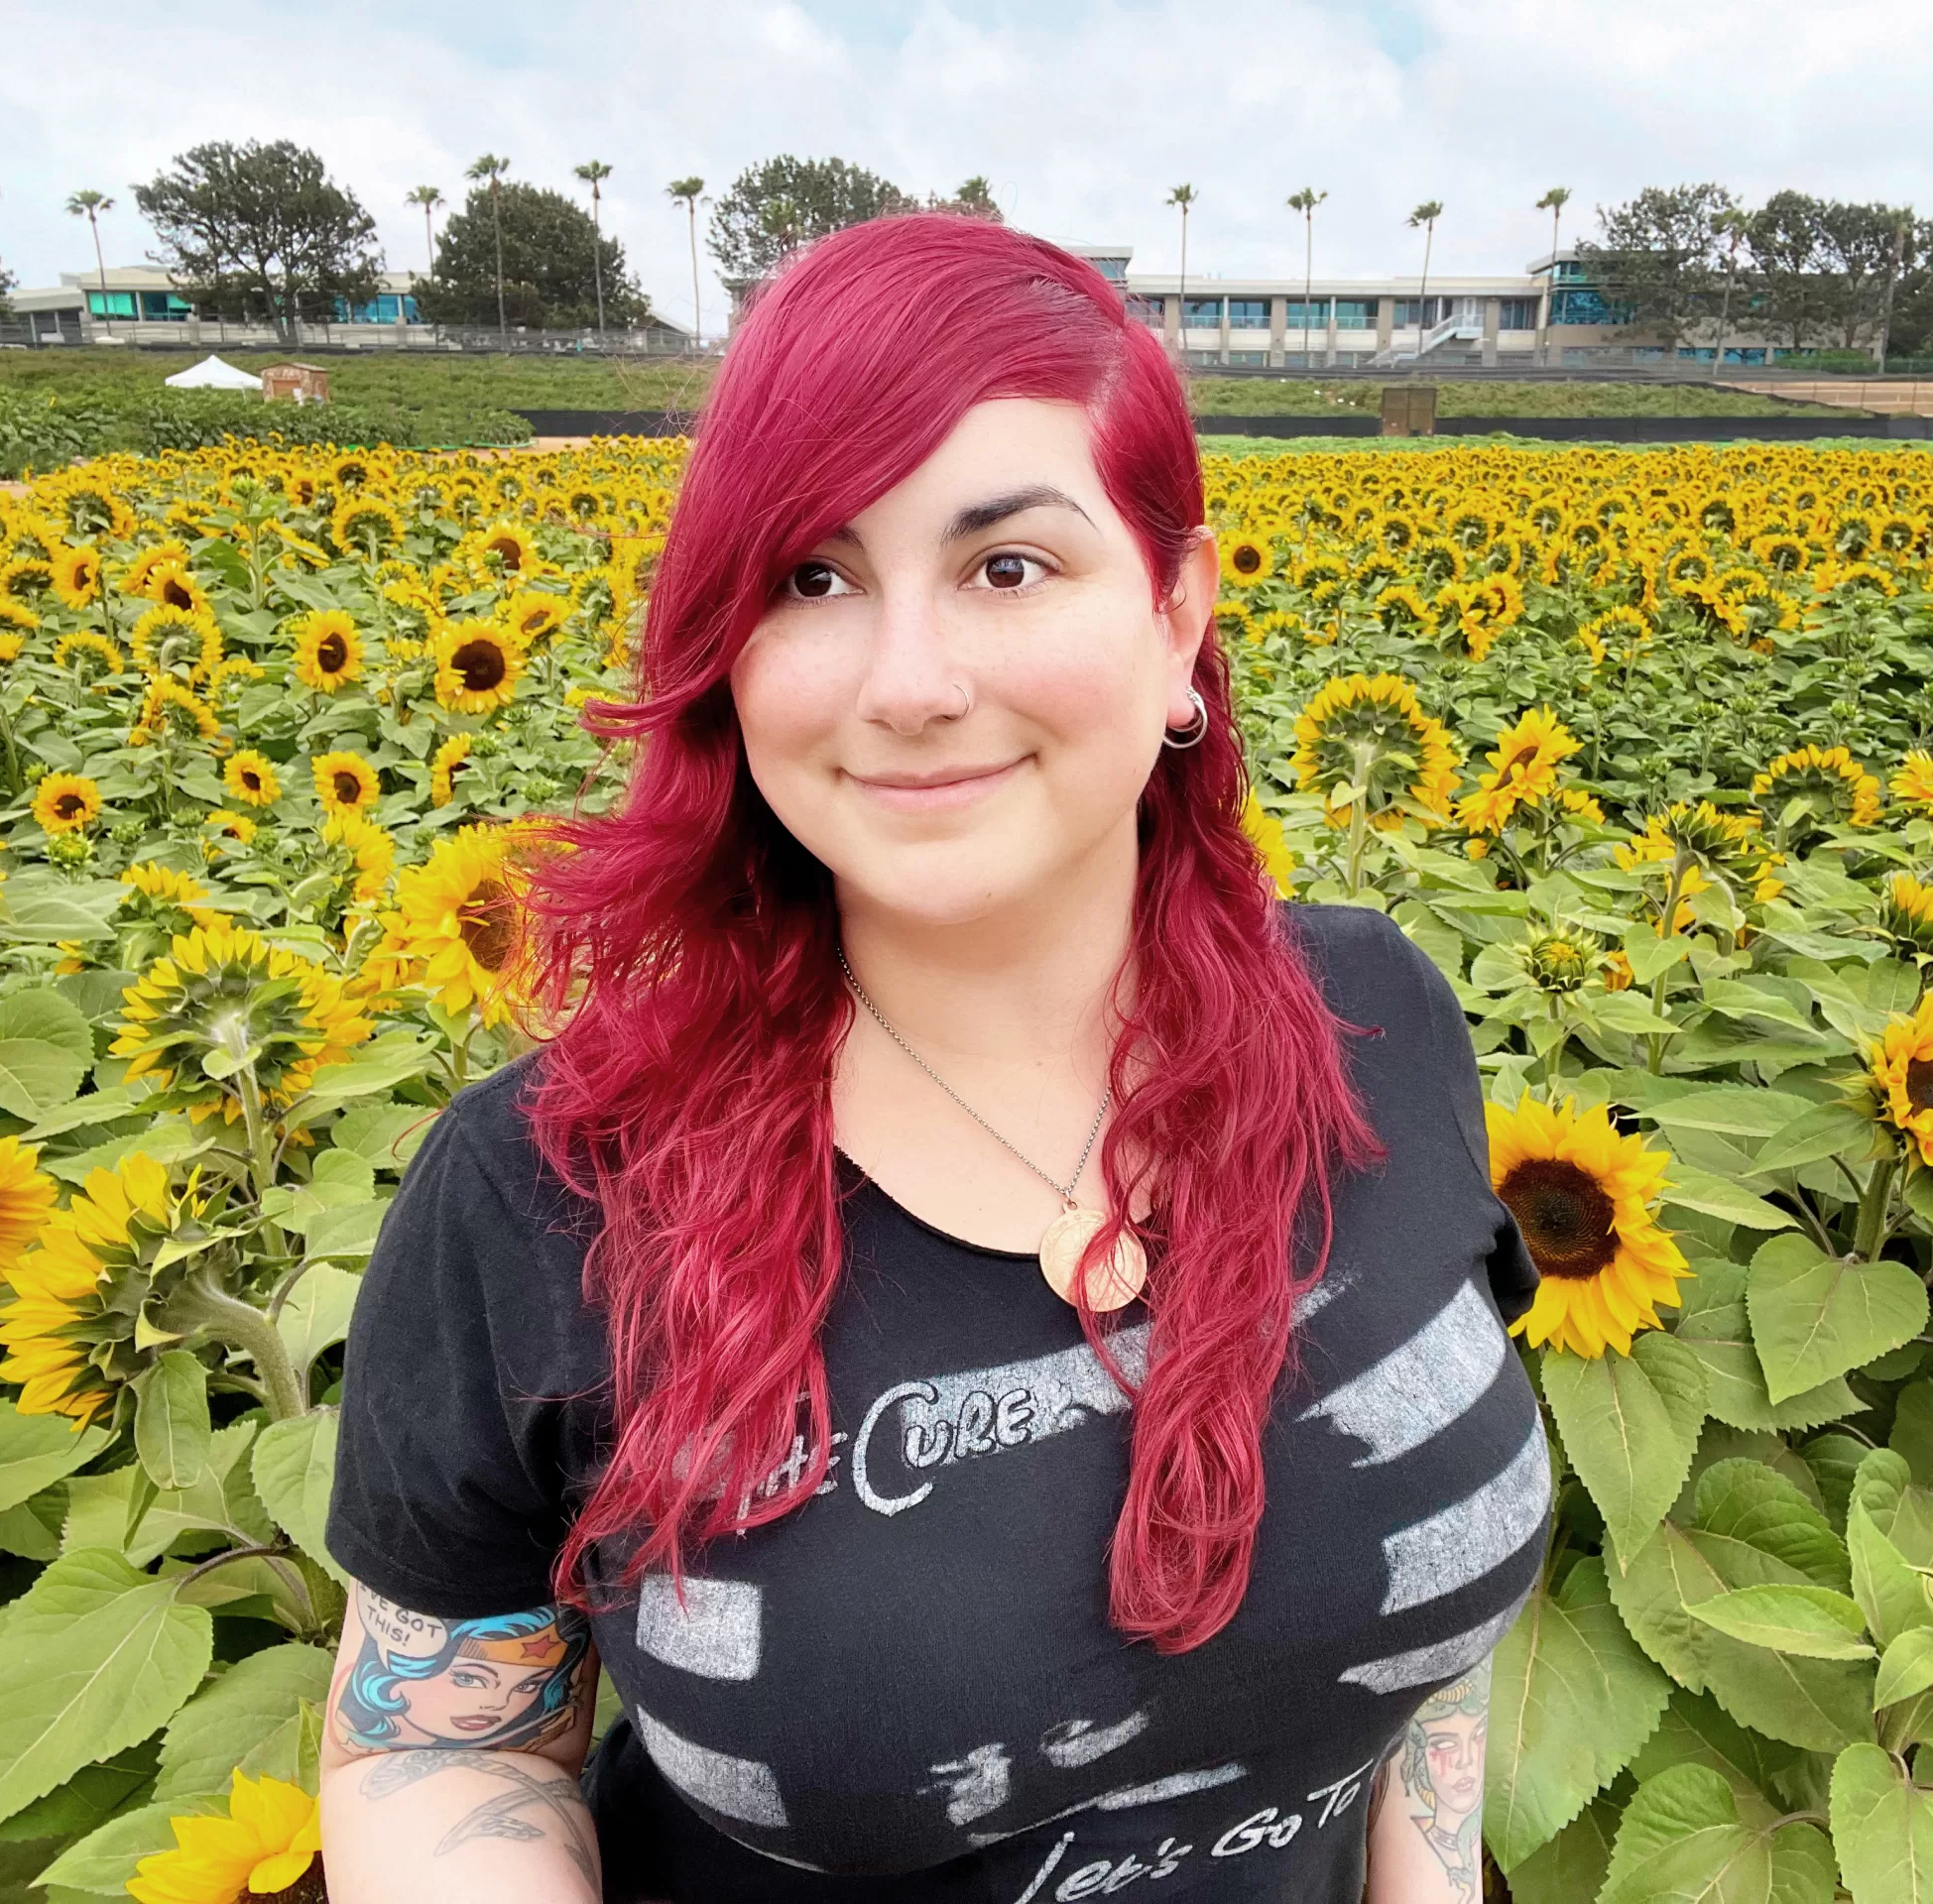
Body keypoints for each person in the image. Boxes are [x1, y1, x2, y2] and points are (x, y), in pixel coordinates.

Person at [320, 210, 1549, 1904]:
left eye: (1008, 564)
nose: (906, 682)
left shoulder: (1376, 1024)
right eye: (812, 579)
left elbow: (1424, 1616)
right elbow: (442, 1734)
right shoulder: (557, 1190)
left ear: (1179, 613)